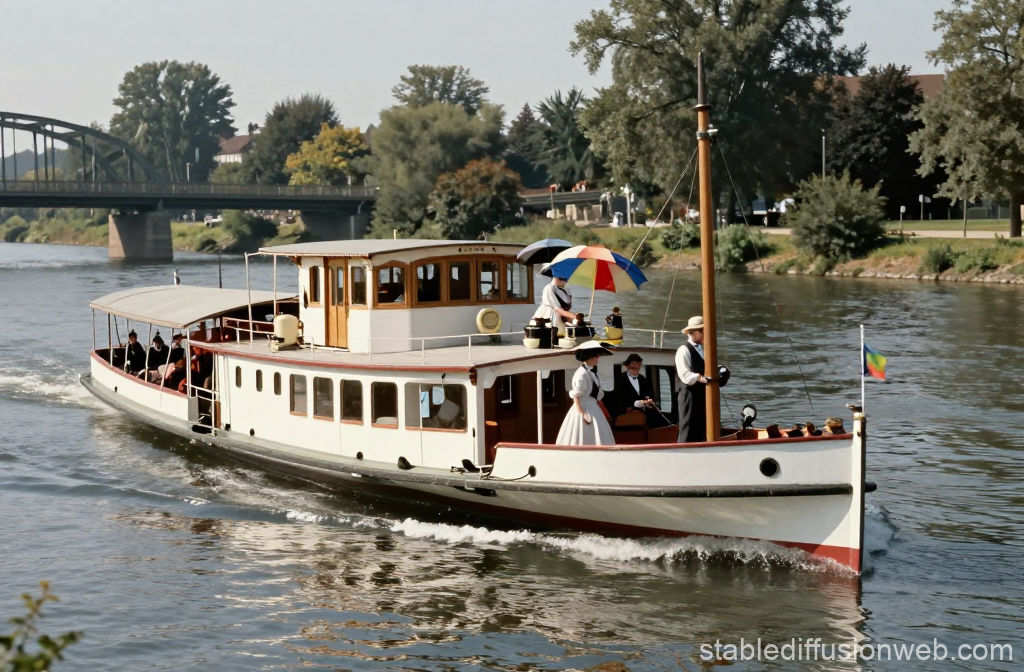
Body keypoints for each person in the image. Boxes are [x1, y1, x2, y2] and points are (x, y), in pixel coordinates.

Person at [555, 342, 616, 446]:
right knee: (583, 435)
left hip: (592, 406)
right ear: (589, 357)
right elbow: (576, 394)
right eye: (596, 356)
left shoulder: (590, 372)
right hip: (585, 407)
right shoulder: (581, 373)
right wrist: (581, 412)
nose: (598, 358)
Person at [676, 315, 711, 443]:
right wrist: (702, 378)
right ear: (693, 332)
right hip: (689, 395)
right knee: (688, 428)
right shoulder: (683, 350)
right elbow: (685, 375)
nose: (704, 334)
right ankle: (682, 454)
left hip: (701, 395)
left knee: (701, 427)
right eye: (702, 331)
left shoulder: (703, 349)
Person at [612, 353, 658, 421]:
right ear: (627, 366)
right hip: (626, 415)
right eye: (633, 368)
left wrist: (649, 401)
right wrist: (639, 403)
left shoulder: (643, 379)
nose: (636, 369)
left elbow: (649, 395)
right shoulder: (620, 379)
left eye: (637, 368)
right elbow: (618, 400)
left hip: (644, 413)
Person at [533, 267, 576, 336]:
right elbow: (557, 308)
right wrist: (573, 316)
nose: (563, 281)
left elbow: (565, 307)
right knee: (552, 334)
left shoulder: (564, 291)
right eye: (561, 279)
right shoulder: (548, 288)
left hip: (562, 318)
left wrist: (570, 317)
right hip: (549, 317)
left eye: (565, 280)